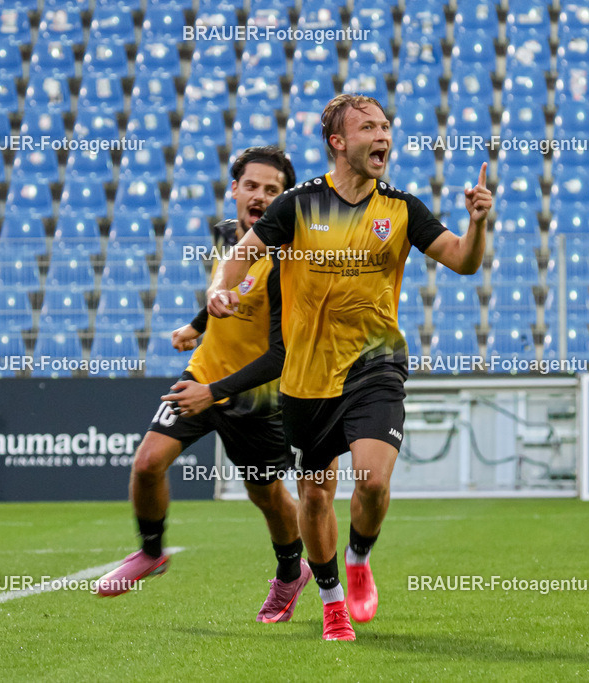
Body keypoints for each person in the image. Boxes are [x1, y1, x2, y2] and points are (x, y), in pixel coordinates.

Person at [205, 94, 492, 640]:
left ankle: (359, 556)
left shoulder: (403, 208)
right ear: (338, 142)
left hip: (375, 363)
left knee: (374, 482)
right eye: (368, 127)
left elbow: (462, 260)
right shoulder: (297, 204)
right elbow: (243, 251)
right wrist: (220, 289)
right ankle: (331, 598)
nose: (382, 135)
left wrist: (477, 223)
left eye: (386, 126)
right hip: (308, 377)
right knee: (314, 494)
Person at [96, 147, 312, 625]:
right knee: (148, 462)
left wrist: (213, 393)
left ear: (282, 201)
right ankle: (152, 552)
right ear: (233, 189)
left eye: (271, 190)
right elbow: (225, 290)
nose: (259, 195)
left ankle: (290, 572)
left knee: (267, 496)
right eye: (251, 185)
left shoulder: (285, 262)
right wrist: (197, 324)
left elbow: (282, 356)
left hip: (254, 398)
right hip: (202, 374)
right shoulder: (223, 237)